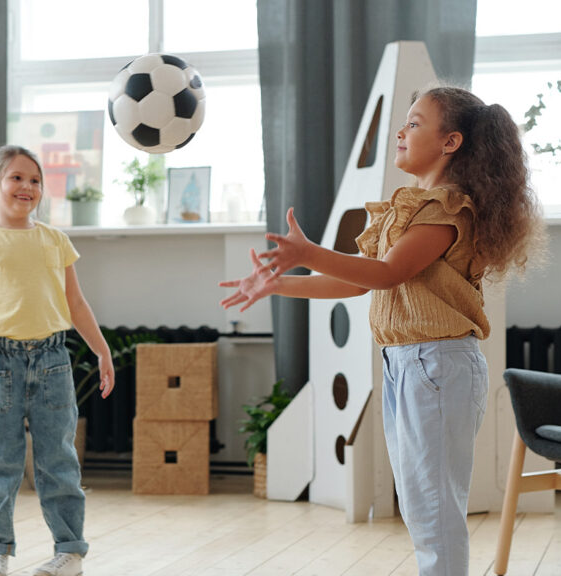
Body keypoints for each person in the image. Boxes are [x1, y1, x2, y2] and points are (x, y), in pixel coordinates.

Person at [220, 86, 543, 575]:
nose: (400, 130)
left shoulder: (446, 209)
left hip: (436, 365)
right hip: (410, 366)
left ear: (450, 141)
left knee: (433, 511)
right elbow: (358, 281)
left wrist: (308, 253)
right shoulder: (412, 207)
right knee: (421, 506)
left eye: (415, 123)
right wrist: (276, 284)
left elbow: (388, 273)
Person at [0, 144, 115, 576]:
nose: (27, 187)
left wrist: (102, 349)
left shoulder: (55, 241)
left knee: (58, 461)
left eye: (35, 180)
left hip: (52, 360)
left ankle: (70, 552)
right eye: (16, 178)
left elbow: (76, 304)